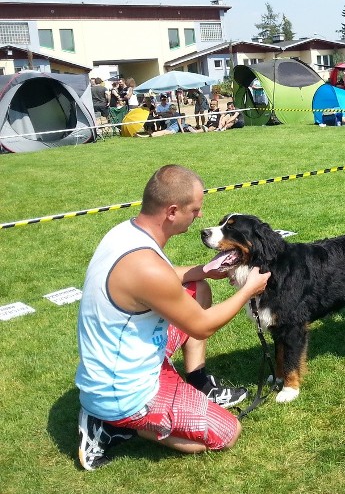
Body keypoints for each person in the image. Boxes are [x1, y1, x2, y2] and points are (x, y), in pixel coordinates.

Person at [75, 165, 270, 470]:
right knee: (226, 433)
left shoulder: (127, 233)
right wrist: (248, 290)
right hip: (123, 391)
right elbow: (202, 326)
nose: (200, 217)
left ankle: (198, 382)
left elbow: (165, 280)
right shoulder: (147, 268)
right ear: (172, 211)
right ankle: (115, 424)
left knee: (197, 288)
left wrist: (201, 271)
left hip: (121, 359)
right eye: (196, 209)